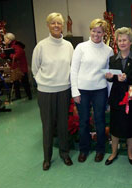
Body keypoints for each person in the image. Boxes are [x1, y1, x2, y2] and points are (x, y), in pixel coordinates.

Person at [31, 12, 74, 171]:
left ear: (62, 26)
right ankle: (47, 158)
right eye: (53, 23)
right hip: (45, 92)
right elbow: (35, 69)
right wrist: (43, 83)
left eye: (59, 23)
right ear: (48, 25)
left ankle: (64, 153)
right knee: (48, 126)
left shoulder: (68, 46)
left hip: (64, 90)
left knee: (63, 124)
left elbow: (72, 67)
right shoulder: (41, 46)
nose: (56, 26)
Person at [70, 18, 113, 163]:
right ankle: (84, 149)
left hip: (100, 90)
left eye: (99, 31)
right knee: (83, 122)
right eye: (94, 30)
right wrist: (74, 92)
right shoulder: (81, 47)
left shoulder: (108, 50)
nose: (96, 34)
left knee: (100, 121)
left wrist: (110, 94)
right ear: (90, 31)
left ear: (104, 33)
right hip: (82, 90)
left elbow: (108, 74)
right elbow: (74, 70)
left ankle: (100, 149)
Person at [104, 27, 132, 166]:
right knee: (115, 127)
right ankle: (113, 153)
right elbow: (111, 79)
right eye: (119, 40)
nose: (122, 42)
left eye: (125, 40)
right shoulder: (112, 59)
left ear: (130, 41)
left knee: (131, 127)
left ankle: (130, 153)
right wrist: (109, 77)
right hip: (116, 98)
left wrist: (126, 78)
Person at [3, 33, 32, 100]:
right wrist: (1, 55)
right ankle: (18, 96)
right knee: (16, 83)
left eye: (5, 39)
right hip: (16, 67)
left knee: (25, 82)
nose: (4, 40)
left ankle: (29, 96)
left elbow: (17, 55)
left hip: (21, 68)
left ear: (9, 39)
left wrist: (9, 55)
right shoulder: (10, 46)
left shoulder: (16, 46)